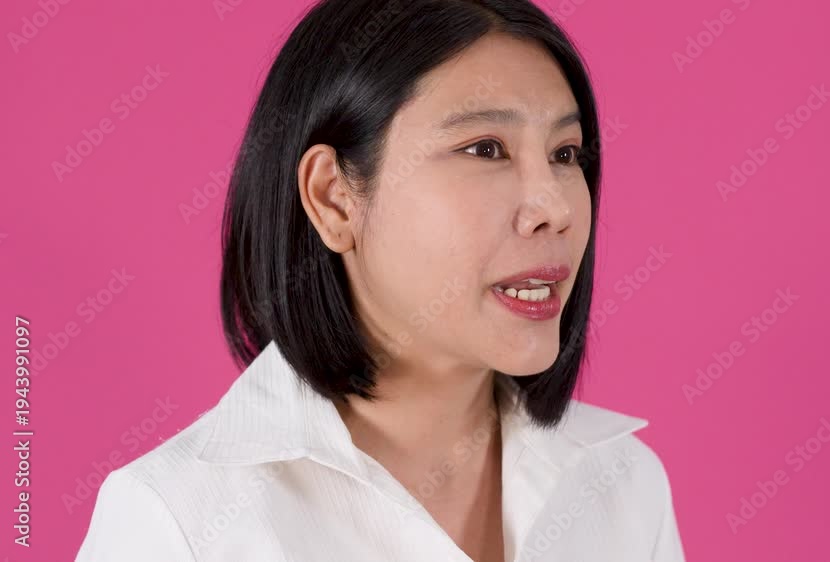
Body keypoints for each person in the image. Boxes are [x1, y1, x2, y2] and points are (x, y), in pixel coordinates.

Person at [74, 0, 686, 560]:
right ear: (334, 198)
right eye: (485, 149)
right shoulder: (178, 522)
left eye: (564, 154)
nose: (554, 207)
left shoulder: (623, 485)